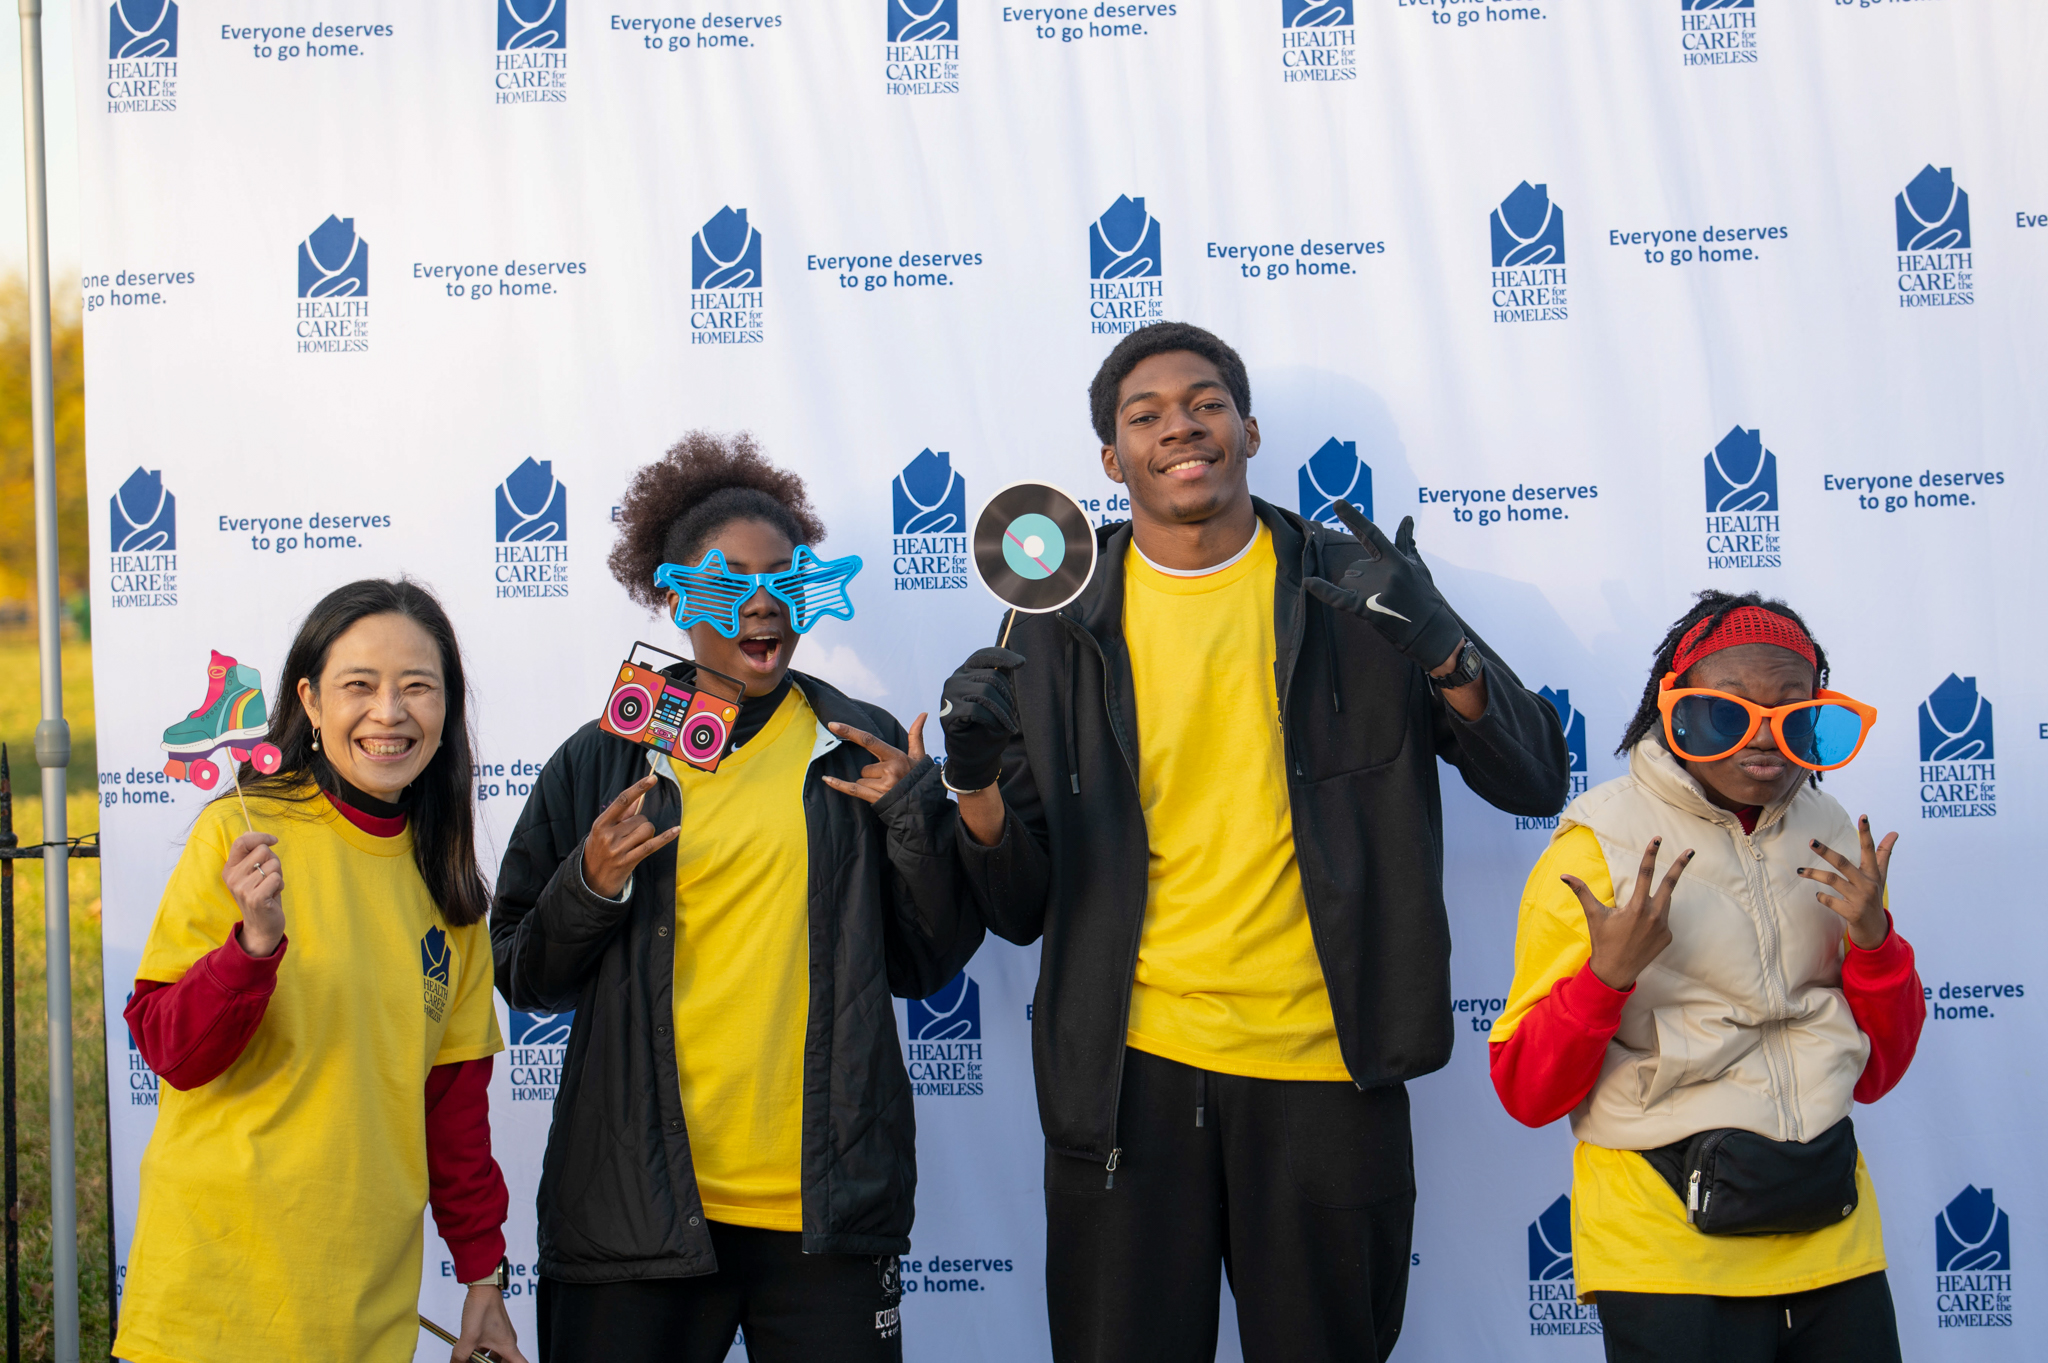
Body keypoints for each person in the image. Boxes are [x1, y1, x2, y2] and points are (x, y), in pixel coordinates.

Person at [939, 321, 1572, 1362]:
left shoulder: (1354, 584)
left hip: (1325, 1069)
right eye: (1144, 415)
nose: (1178, 426)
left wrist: (1440, 647)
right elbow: (1015, 904)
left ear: (1246, 428)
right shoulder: (1053, 620)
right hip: (1126, 1077)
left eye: (1202, 403)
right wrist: (970, 787)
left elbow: (1532, 773)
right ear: (1110, 460)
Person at [492, 432, 983, 1363]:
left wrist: (917, 817)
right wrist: (589, 886)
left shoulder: (860, 742)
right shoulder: (602, 755)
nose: (762, 602)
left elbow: (926, 965)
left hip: (824, 1216)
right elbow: (523, 973)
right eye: (728, 581)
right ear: (674, 594)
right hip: (637, 1216)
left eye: (785, 578)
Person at [1488, 591, 1924, 1362]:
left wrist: (1875, 946)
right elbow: (1526, 1088)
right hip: (1669, 1254)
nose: (1764, 743)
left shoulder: (1830, 831)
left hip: (1833, 1238)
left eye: (1793, 718)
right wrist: (1605, 979)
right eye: (1726, 714)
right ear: (1673, 708)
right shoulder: (1596, 850)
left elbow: (1877, 1073)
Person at [116, 579, 525, 1363]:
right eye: (359, 686)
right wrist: (253, 948)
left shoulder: (451, 894)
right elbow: (172, 1050)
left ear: (448, 708)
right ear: (309, 699)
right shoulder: (241, 837)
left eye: (417, 687)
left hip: (363, 1318)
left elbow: (454, 1119)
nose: (389, 712)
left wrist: (483, 1281)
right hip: (210, 1305)